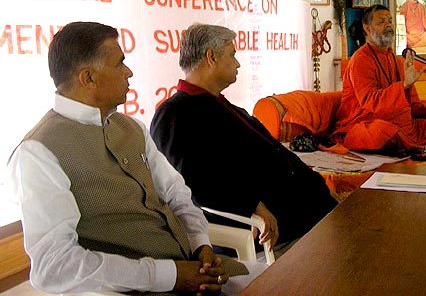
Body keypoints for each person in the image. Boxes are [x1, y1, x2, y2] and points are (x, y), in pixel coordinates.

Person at [7, 21, 265, 296]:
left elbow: (177, 194)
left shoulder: (131, 128)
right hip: (142, 288)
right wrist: (169, 276)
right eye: (119, 64)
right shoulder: (39, 152)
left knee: (295, 280)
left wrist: (200, 245)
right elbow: (53, 265)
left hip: (196, 269)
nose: (129, 72)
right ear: (88, 78)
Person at [150, 23, 337, 252]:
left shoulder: (222, 104)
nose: (237, 63)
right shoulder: (175, 113)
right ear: (211, 57)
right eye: (232, 55)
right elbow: (193, 181)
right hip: (275, 229)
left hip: (311, 210)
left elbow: (275, 151)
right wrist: (251, 206)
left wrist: (319, 184)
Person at [333, 5, 426, 157]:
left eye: (390, 21)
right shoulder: (360, 60)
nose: (388, 25)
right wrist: (404, 86)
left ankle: (406, 144)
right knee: (381, 133)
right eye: (381, 22)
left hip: (403, 126)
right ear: (367, 29)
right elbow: (369, 101)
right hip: (367, 123)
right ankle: (405, 145)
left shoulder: (396, 60)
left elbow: (412, 105)